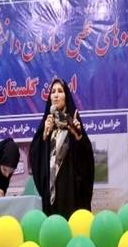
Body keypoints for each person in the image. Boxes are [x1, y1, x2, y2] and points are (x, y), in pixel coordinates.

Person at [29, 78, 95, 218]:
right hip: (52, 194)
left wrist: (78, 137)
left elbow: (87, 159)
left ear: (66, 96)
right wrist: (45, 136)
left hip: (71, 191)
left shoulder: (73, 123)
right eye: (53, 92)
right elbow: (35, 155)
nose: (56, 95)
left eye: (60, 91)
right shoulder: (47, 123)